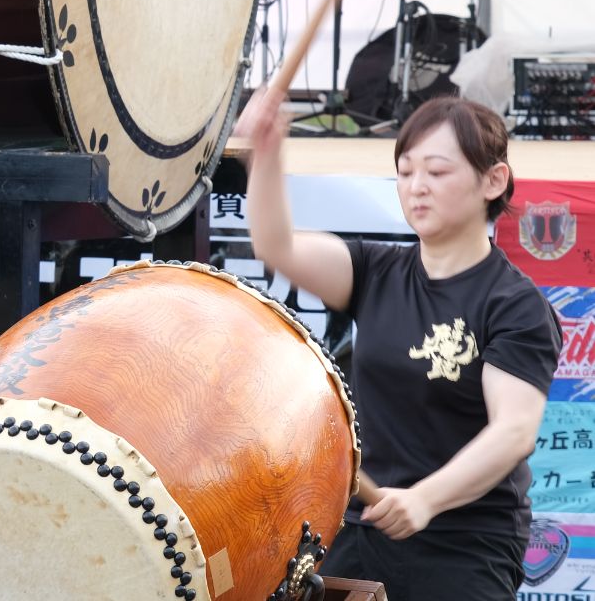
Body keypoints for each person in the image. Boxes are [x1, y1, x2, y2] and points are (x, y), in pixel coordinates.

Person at [236, 90, 560, 601]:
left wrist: (426, 500)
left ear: (493, 180)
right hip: (359, 527)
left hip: (464, 543)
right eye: (406, 172)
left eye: (436, 171)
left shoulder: (513, 305)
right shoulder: (375, 270)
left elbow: (513, 432)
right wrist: (268, 154)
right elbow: (276, 245)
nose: (416, 188)